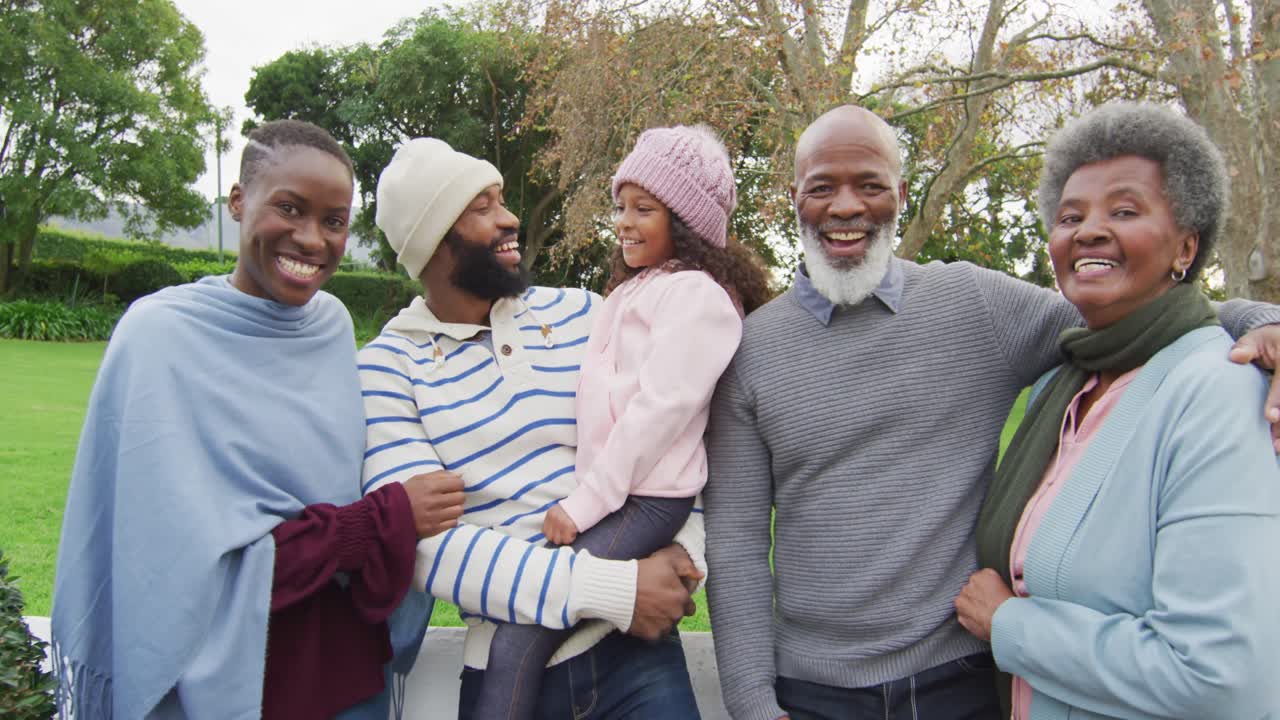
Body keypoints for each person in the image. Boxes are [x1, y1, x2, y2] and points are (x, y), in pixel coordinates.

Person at [703, 104, 1280, 720]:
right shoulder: (750, 350)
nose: (846, 206)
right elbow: (736, 542)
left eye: (870, 185)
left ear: (901, 195)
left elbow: (1131, 313)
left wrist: (1261, 322)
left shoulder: (973, 305)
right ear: (794, 199)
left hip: (964, 678)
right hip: (814, 690)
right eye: (822, 187)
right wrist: (751, 702)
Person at [50, 119, 465, 719]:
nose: (312, 239)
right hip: (209, 684)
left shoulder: (331, 327)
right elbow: (178, 566)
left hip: (338, 675)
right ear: (238, 202)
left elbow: (341, 490)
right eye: (289, 209)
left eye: (334, 221)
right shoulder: (158, 336)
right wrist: (387, 517)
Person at [359, 136, 708, 719]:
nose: (510, 218)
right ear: (434, 241)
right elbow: (427, 548)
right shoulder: (387, 367)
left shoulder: (587, 313)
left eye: (501, 200)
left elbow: (674, 428)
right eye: (482, 207)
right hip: (505, 674)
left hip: (637, 660)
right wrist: (614, 591)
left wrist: (685, 551)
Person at [956, 102, 1280, 719]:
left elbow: (1222, 678)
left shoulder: (1220, 392)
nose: (1089, 230)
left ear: (1187, 246)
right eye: (1070, 216)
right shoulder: (1062, 384)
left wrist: (1010, 625)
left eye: (1124, 211)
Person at [473, 125, 772, 720]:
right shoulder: (633, 291)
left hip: (646, 500)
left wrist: (583, 505)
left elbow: (656, 415)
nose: (624, 223)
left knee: (520, 638)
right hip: (620, 495)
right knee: (522, 630)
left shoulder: (698, 299)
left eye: (644, 209)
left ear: (686, 221)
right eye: (621, 207)